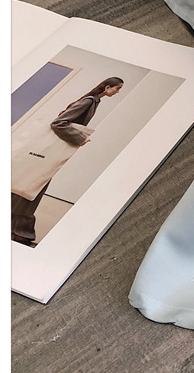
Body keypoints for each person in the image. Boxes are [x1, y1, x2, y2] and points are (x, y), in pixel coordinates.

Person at [11, 76, 124, 247]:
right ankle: (20, 232)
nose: (118, 92)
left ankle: (18, 231)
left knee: (27, 187)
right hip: (46, 154)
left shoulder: (93, 101)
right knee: (33, 187)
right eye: (118, 88)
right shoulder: (89, 101)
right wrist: (79, 138)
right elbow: (58, 122)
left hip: (45, 154)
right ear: (108, 87)